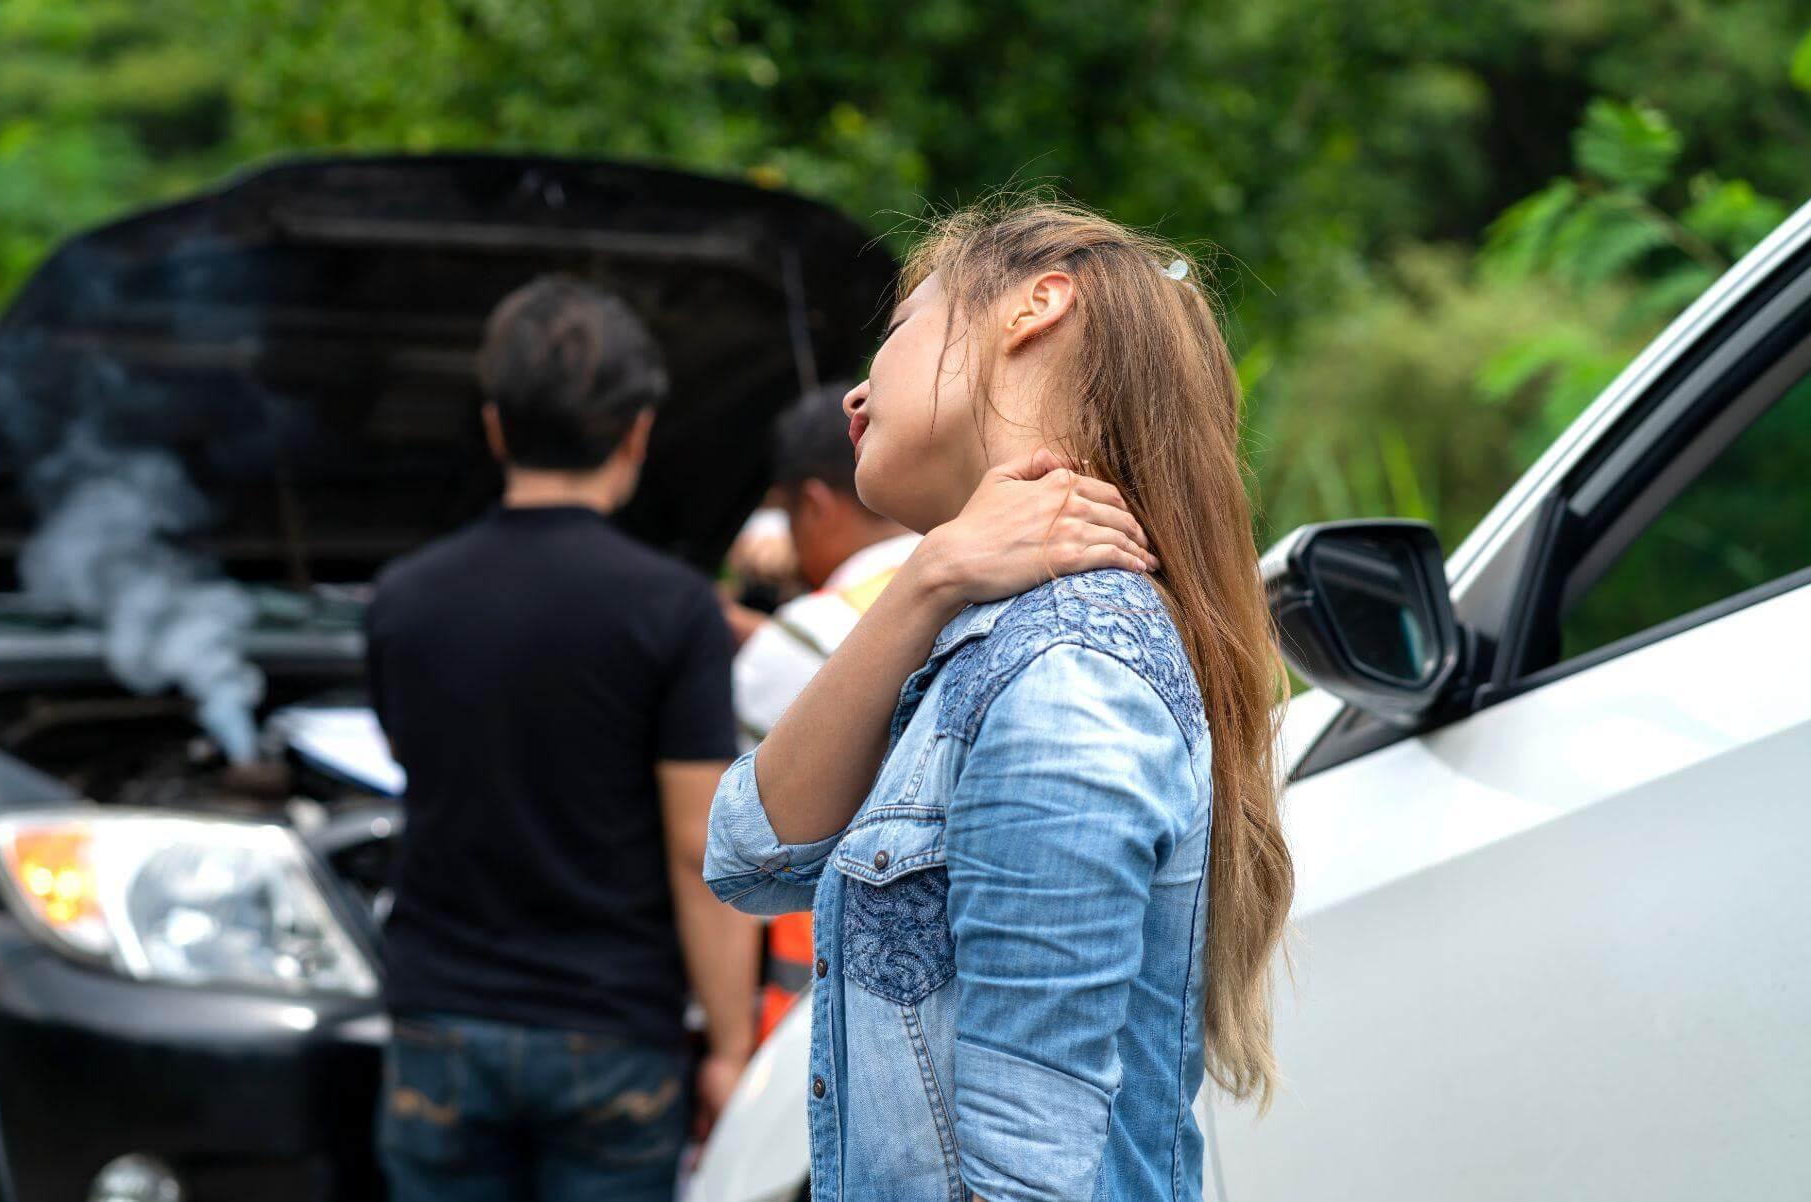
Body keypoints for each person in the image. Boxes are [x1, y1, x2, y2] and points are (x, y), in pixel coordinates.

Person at [703, 197, 1293, 1202]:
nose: (853, 393)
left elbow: (1028, 1171)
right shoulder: (972, 628)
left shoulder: (1065, 667)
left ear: (1033, 308)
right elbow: (748, 853)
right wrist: (929, 575)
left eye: (891, 333)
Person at [368, 275, 759, 1200]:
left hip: (440, 1017)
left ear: (496, 426)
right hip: (611, 1029)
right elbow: (696, 843)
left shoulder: (403, 598)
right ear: (638, 432)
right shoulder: (673, 611)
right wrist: (733, 1045)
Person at [729, 382, 920, 1040]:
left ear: (812, 502)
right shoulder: (1002, 589)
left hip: (817, 1018)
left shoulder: (802, 635)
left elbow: (738, 853)